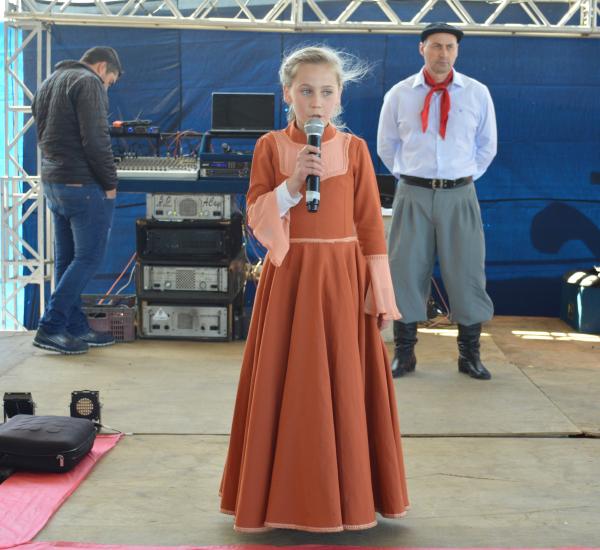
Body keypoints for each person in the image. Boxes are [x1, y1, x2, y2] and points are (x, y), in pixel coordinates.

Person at [220, 46, 409, 532]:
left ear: (340, 96)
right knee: (291, 385)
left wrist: (379, 292)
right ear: (288, 94)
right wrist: (291, 185)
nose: (316, 101)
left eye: (326, 91)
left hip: (343, 280)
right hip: (291, 278)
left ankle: (349, 497)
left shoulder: (355, 149)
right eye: (306, 91)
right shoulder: (269, 147)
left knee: (345, 386)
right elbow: (257, 214)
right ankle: (284, 498)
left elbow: (370, 226)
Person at [377, 22, 497, 380]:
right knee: (405, 270)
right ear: (422, 49)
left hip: (460, 194)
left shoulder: (476, 93)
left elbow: (487, 146)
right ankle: (405, 354)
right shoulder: (400, 94)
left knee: (467, 270)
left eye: (449, 47)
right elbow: (386, 145)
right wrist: (412, 177)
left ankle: (469, 355)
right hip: (413, 193)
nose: (443, 53)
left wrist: (461, 178)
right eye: (436, 46)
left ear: (457, 51)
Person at [31, 46, 122, 355]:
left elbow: (41, 134)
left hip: (54, 182)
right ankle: (51, 326)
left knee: (67, 259)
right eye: (110, 81)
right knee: (88, 257)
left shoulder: (49, 81)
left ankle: (74, 326)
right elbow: (96, 140)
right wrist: (110, 183)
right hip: (81, 184)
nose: (107, 87)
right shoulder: (89, 82)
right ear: (102, 67)